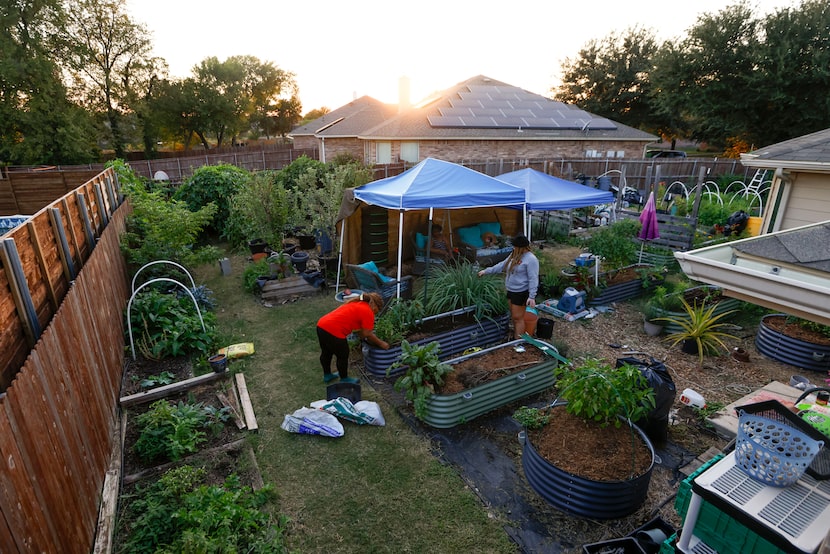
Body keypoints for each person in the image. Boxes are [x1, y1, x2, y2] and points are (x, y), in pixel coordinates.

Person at [316, 291, 389, 384]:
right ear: (375, 306)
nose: (376, 314)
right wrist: (381, 343)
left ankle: (327, 375)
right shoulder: (368, 311)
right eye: (377, 311)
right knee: (343, 355)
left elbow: (360, 330)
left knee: (326, 352)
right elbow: (367, 334)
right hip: (334, 330)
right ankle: (344, 379)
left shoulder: (356, 303)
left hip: (321, 325)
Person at [477, 234, 539, 339]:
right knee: (514, 317)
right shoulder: (514, 255)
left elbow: (533, 278)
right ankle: (516, 336)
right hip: (511, 290)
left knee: (518, 318)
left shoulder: (531, 259)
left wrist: (532, 296)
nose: (513, 248)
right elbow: (502, 265)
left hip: (521, 292)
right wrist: (486, 271)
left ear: (522, 247)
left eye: (515, 246)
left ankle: (517, 342)